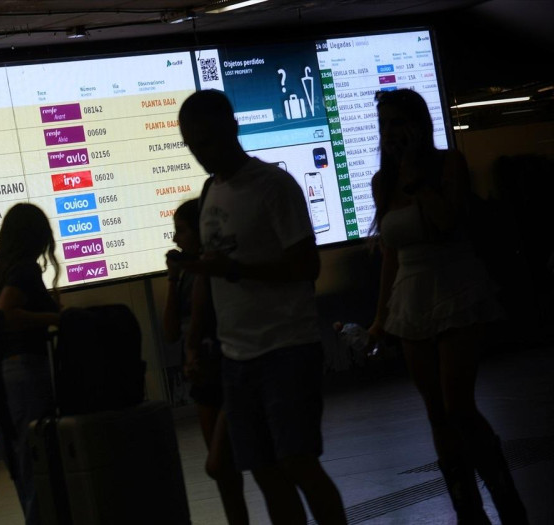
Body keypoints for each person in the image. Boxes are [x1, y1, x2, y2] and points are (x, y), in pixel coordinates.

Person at [177, 90, 347, 525]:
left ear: (232, 129)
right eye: (192, 145)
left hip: (287, 346)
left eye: (207, 142)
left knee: (297, 462)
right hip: (237, 357)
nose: (201, 154)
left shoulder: (274, 186)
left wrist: (236, 269)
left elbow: (306, 264)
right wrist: (195, 339)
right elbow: (211, 274)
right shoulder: (211, 190)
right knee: (265, 471)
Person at [367, 88, 525, 524]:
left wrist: (417, 178)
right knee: (436, 410)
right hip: (411, 296)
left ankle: (504, 494)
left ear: (418, 124)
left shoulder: (448, 165)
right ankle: (467, 508)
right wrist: (380, 318)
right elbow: (391, 256)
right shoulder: (383, 181)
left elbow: (447, 222)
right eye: (384, 125)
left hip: (457, 287)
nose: (390, 133)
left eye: (397, 122)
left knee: (457, 403)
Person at [164, 198, 248, 525]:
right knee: (224, 473)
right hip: (204, 378)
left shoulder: (216, 271)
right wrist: (172, 279)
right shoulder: (185, 275)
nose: (176, 239)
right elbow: (170, 331)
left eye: (181, 231)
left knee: (219, 463)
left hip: (225, 368)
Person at [0, 203, 60, 524]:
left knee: (24, 470)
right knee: (37, 467)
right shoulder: (25, 270)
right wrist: (56, 316)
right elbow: (5, 314)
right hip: (23, 373)